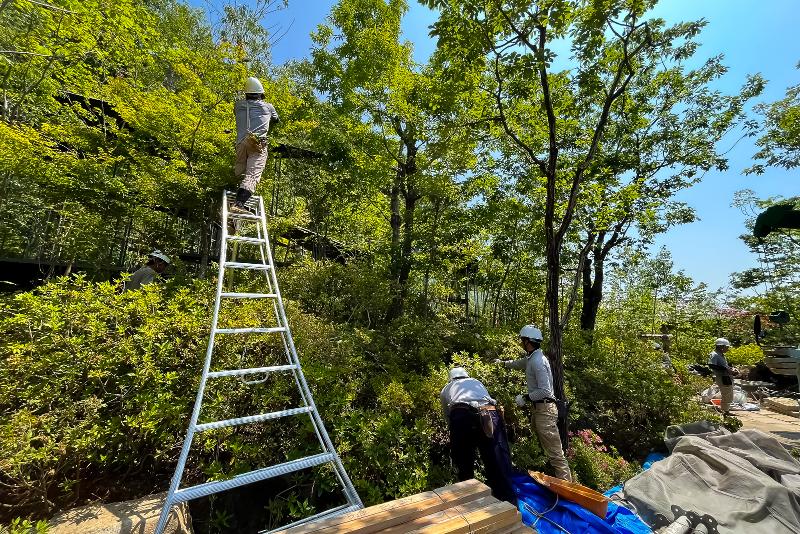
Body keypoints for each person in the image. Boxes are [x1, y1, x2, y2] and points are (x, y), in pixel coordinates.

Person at [495, 325, 572, 481]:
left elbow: (545, 391)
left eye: (522, 340)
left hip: (545, 410)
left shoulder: (538, 362)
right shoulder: (532, 358)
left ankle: (567, 487)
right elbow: (518, 363)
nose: (521, 343)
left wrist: (525, 397)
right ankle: (556, 481)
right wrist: (502, 363)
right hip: (539, 409)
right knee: (547, 448)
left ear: (528, 341)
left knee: (556, 454)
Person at [440, 367, 516, 503]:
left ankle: (470, 502)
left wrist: (455, 430)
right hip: (488, 414)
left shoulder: (447, 388)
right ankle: (508, 502)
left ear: (451, 378)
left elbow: (447, 415)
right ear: (466, 375)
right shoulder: (476, 381)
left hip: (461, 416)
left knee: (464, 462)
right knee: (497, 460)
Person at [231, 76, 279, 214]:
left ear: (246, 93)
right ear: (260, 94)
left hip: (241, 144)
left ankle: (235, 214)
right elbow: (276, 120)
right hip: (257, 144)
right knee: (252, 176)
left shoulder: (238, 106)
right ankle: (239, 203)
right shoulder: (268, 107)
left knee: (242, 173)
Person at [708, 337, 737, 414]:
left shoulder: (721, 355)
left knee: (728, 394)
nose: (727, 349)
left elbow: (723, 365)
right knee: (726, 394)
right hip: (722, 377)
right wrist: (725, 369)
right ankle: (725, 411)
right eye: (726, 347)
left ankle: (725, 410)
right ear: (721, 346)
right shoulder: (714, 355)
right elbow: (711, 365)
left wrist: (731, 368)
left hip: (726, 376)